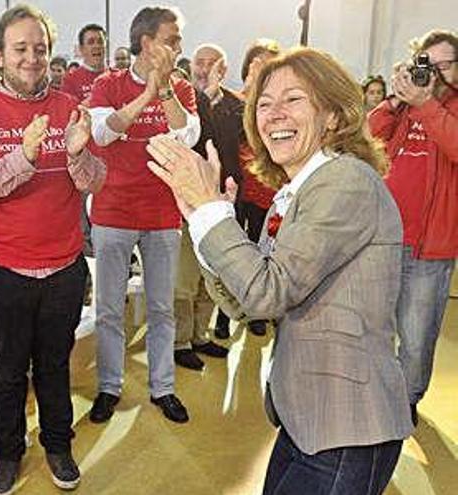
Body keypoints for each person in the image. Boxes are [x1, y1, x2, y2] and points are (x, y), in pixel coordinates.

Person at [147, 46, 412, 495]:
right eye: (264, 103)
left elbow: (267, 292)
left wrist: (211, 212)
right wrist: (205, 219)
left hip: (345, 426)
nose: (273, 114)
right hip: (308, 416)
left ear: (332, 115)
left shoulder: (344, 180)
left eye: (293, 100)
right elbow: (247, 302)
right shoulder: (301, 190)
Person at [0, 5, 106, 493]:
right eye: (20, 48)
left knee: (56, 366)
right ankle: (7, 453)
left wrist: (79, 153)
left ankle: (58, 445)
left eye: (40, 48)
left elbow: (95, 182)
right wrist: (24, 156)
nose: (32, 57)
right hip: (2, 269)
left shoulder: (67, 108)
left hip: (62, 266)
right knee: (6, 370)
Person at [86, 5, 199, 425]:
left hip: (162, 213)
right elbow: (102, 132)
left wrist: (165, 89)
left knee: (161, 307)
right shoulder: (107, 84)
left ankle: (163, 387)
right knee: (110, 309)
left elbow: (187, 135)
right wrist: (145, 95)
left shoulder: (181, 87)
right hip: (113, 211)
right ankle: (109, 387)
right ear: (147, 42)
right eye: (172, 39)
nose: (178, 48)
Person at [369, 29, 458, 426]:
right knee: (375, 327)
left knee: (417, 338)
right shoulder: (403, 106)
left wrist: (426, 103)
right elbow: (366, 137)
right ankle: (380, 395)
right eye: (427, 64)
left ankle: (405, 401)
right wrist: (394, 98)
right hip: (383, 240)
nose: (434, 73)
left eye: (443, 65)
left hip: (430, 247)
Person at [171, 42, 240, 370]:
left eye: (213, 63)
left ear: (224, 70)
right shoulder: (180, 100)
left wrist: (215, 100)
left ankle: (201, 335)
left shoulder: (234, 105)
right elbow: (189, 139)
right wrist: (204, 100)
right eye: (200, 62)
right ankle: (180, 341)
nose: (204, 69)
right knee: (184, 277)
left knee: (209, 276)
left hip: (222, 202)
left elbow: (235, 142)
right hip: (188, 202)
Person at [213, 38, 281, 339]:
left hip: (267, 188)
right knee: (231, 252)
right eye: (257, 62)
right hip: (235, 188)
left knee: (259, 251)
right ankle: (225, 316)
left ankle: (256, 311)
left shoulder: (278, 105)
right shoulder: (233, 102)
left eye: (268, 62)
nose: (262, 66)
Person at [60, 23, 107, 104]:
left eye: (100, 42)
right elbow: (69, 110)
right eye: (91, 42)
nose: (97, 46)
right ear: (82, 49)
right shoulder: (70, 80)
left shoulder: (117, 77)